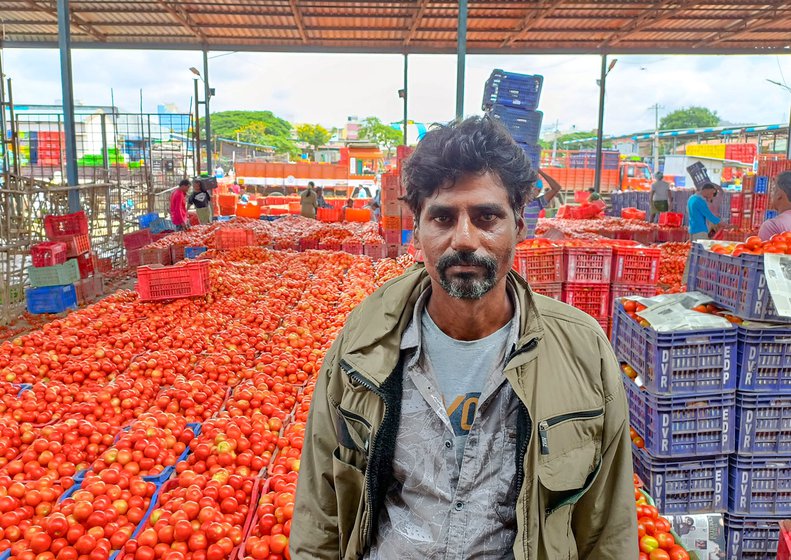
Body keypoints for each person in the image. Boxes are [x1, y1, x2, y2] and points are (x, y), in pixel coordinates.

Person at [291, 116, 638, 560]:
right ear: (417, 230)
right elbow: (321, 512)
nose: (465, 239)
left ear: (520, 225)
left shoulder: (581, 352)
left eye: (487, 216)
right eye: (442, 217)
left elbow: (606, 528)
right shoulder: (364, 346)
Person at [521, 169, 562, 239]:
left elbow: (556, 188)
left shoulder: (537, 203)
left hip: (528, 244)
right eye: (532, 188)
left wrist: (540, 172)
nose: (534, 191)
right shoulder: (515, 201)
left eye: (538, 190)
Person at [758, 170, 791, 240]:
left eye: (773, 189)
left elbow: (766, 250)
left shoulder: (772, 226)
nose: (771, 194)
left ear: (779, 194)